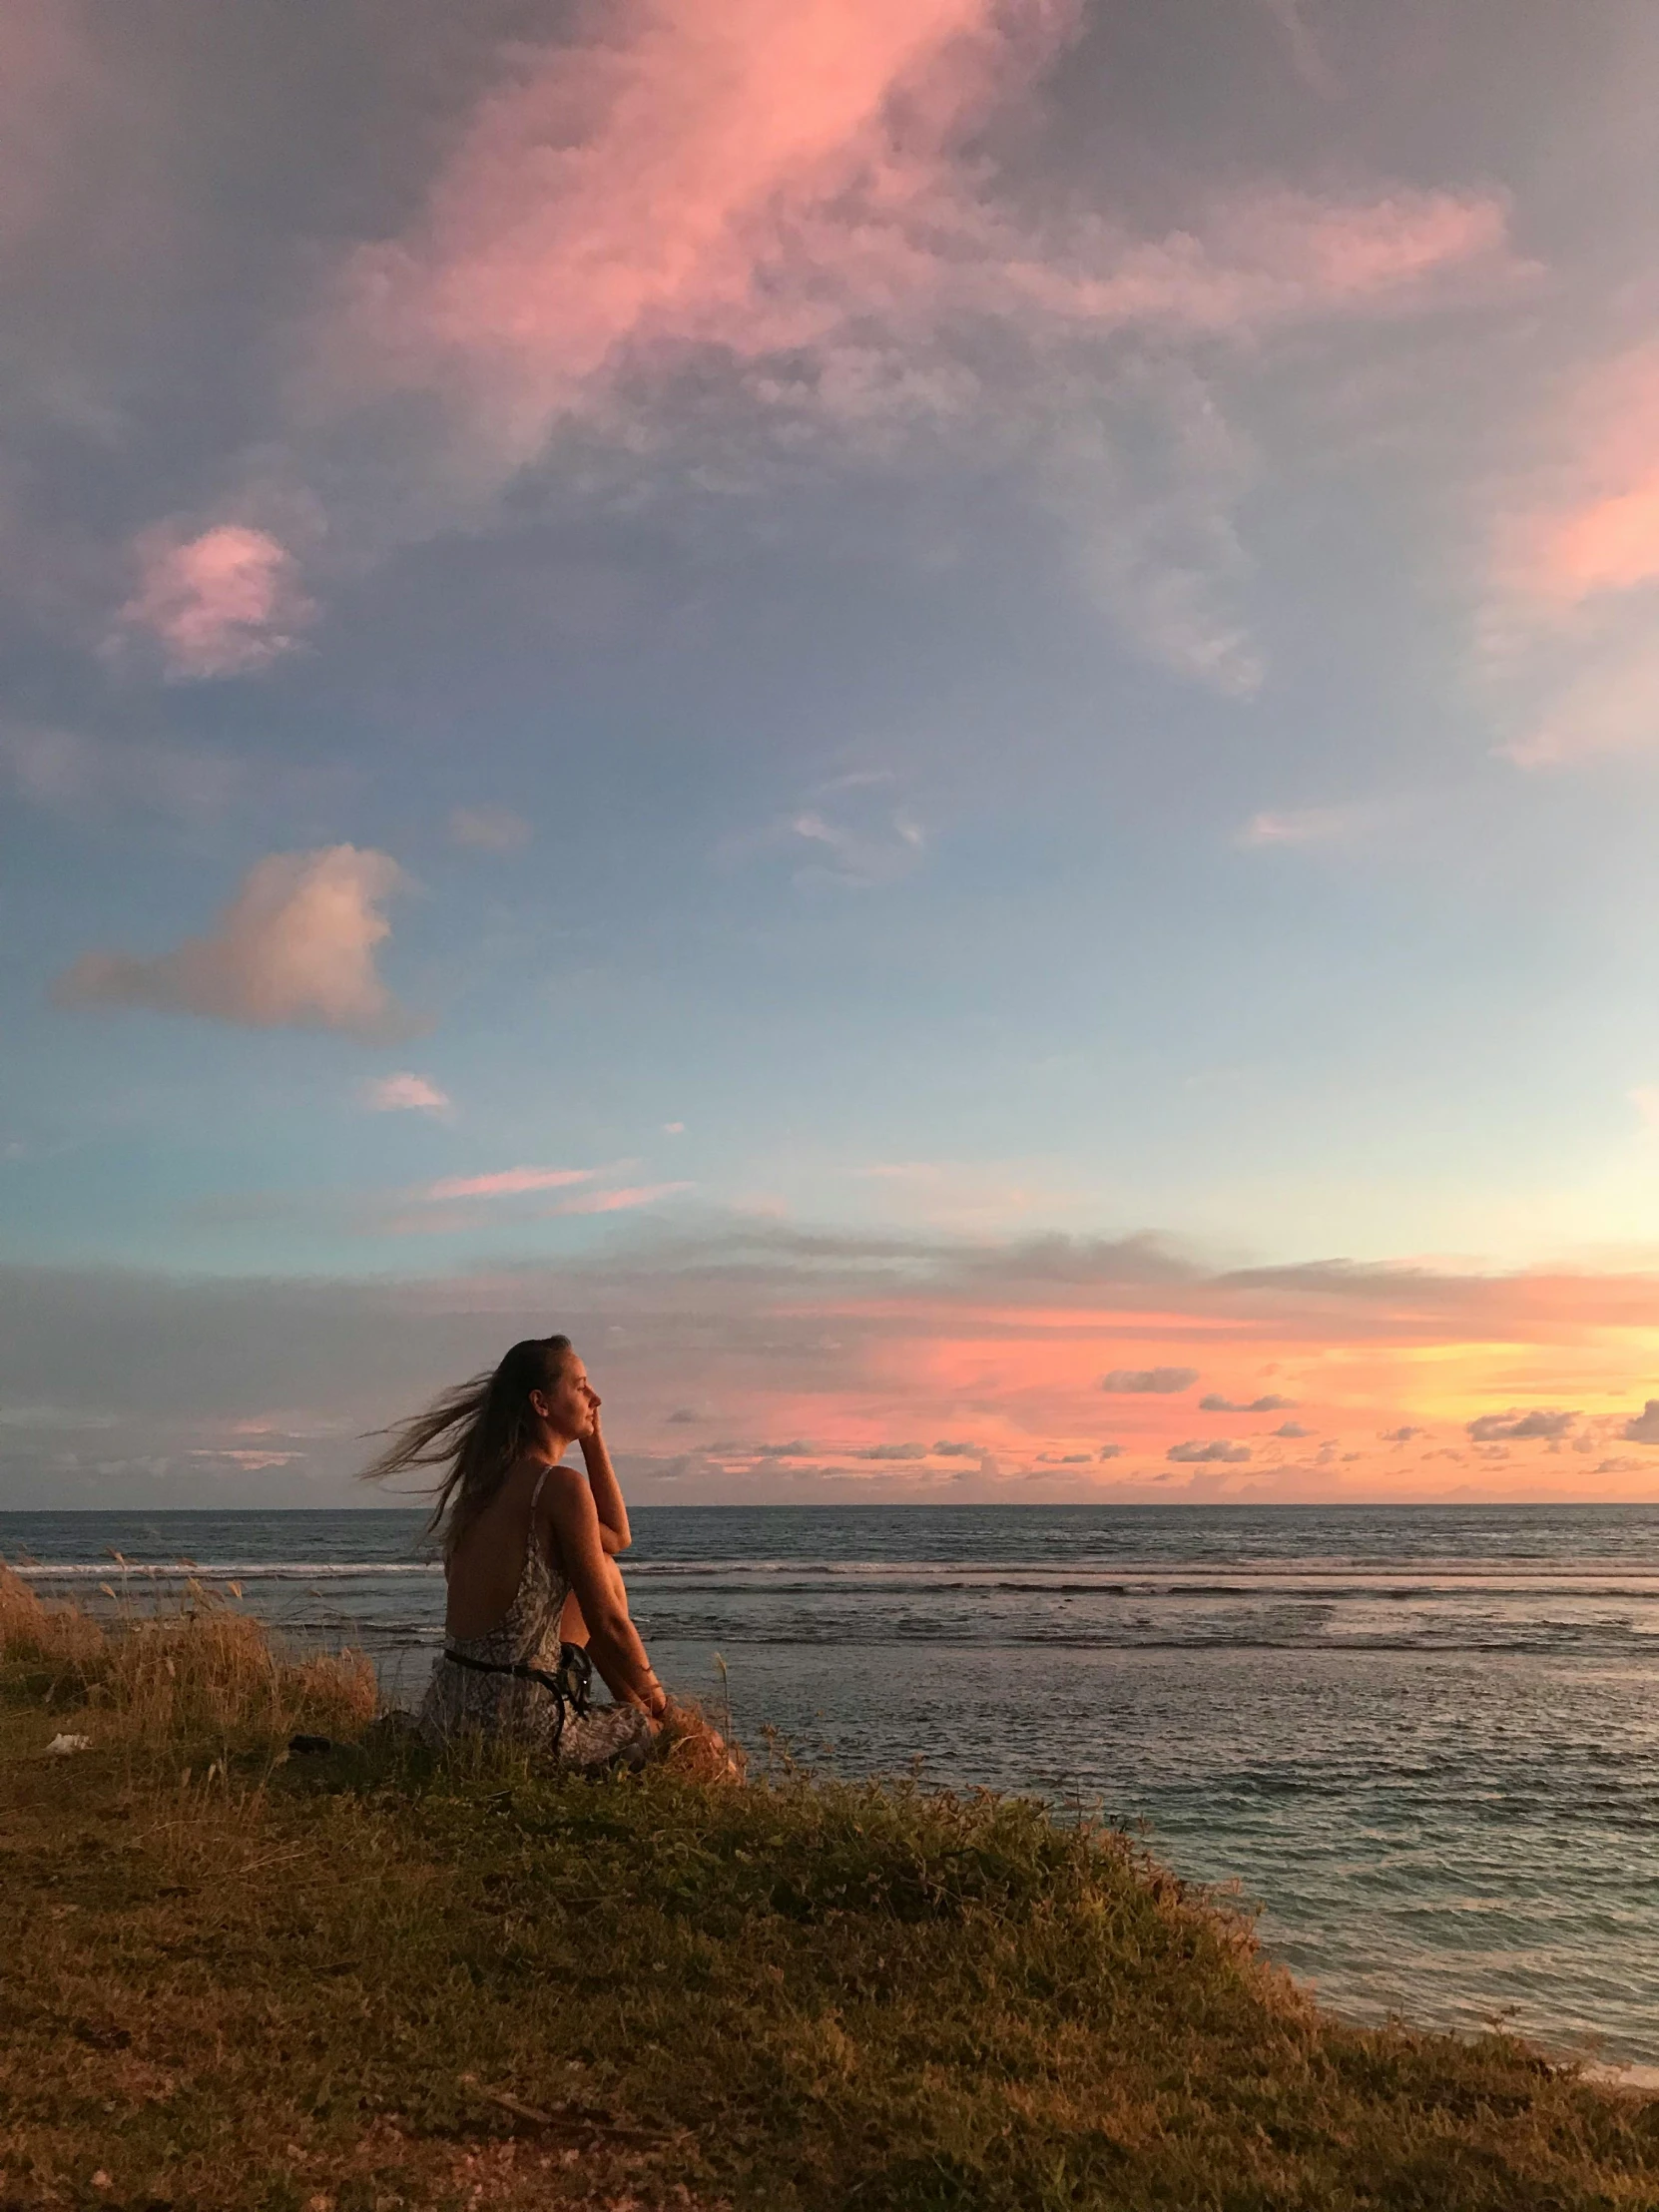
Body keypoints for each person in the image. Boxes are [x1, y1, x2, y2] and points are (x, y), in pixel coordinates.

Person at [361, 1334, 669, 1769]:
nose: (594, 1397)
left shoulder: (485, 1487)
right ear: (541, 1403)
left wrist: (591, 1436)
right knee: (645, 1725)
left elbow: (616, 1536)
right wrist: (667, 1709)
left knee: (602, 1568)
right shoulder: (559, 1487)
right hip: (519, 1727)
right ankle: (660, 1721)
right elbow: (610, 1624)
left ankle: (647, 1712)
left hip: (451, 1718)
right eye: (581, 1387)